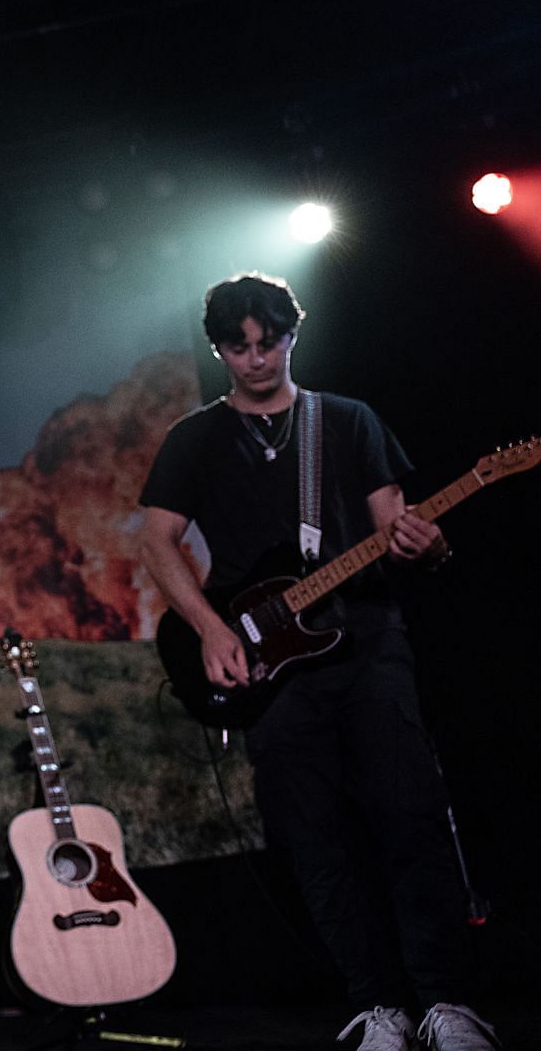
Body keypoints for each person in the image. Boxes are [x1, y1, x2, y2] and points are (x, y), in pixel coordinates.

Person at [137, 272, 495, 1051]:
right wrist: (207, 628)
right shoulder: (194, 439)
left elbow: (394, 526)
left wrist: (427, 544)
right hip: (268, 664)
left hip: (366, 641)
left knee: (410, 815)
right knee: (312, 833)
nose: (257, 358)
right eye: (239, 346)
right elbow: (157, 541)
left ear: (293, 336)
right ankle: (378, 1007)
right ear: (219, 348)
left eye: (270, 341)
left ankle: (447, 1003)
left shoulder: (349, 421)